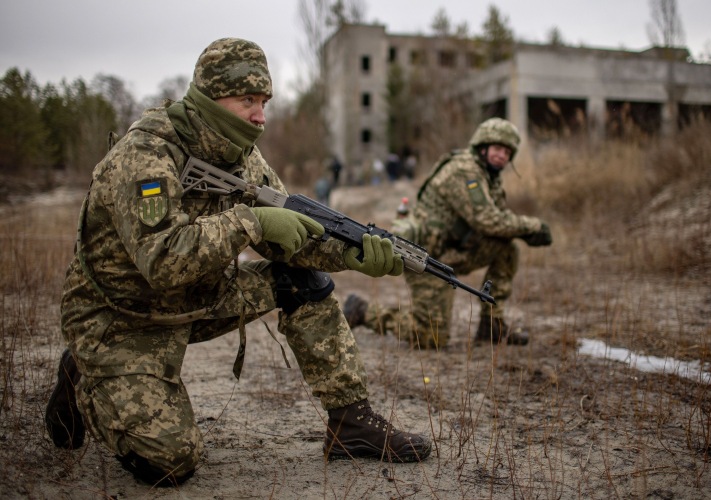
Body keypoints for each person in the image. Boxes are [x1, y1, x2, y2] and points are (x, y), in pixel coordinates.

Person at [44, 37, 431, 487]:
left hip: (193, 298)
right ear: (209, 97)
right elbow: (163, 260)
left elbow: (293, 237)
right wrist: (252, 221)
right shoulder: (147, 155)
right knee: (170, 462)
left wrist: (352, 252)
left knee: (301, 281)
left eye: (264, 101)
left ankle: (352, 423)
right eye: (248, 99)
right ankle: (82, 369)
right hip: (119, 316)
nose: (260, 116)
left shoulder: (241, 155)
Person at [344, 118, 552, 349]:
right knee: (430, 338)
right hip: (424, 257)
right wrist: (533, 227)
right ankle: (363, 311)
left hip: (451, 253)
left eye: (507, 152)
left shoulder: (489, 176)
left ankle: (492, 325)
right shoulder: (464, 170)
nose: (502, 156)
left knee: (506, 248)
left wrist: (522, 229)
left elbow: (499, 219)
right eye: (497, 149)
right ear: (482, 147)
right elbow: (487, 220)